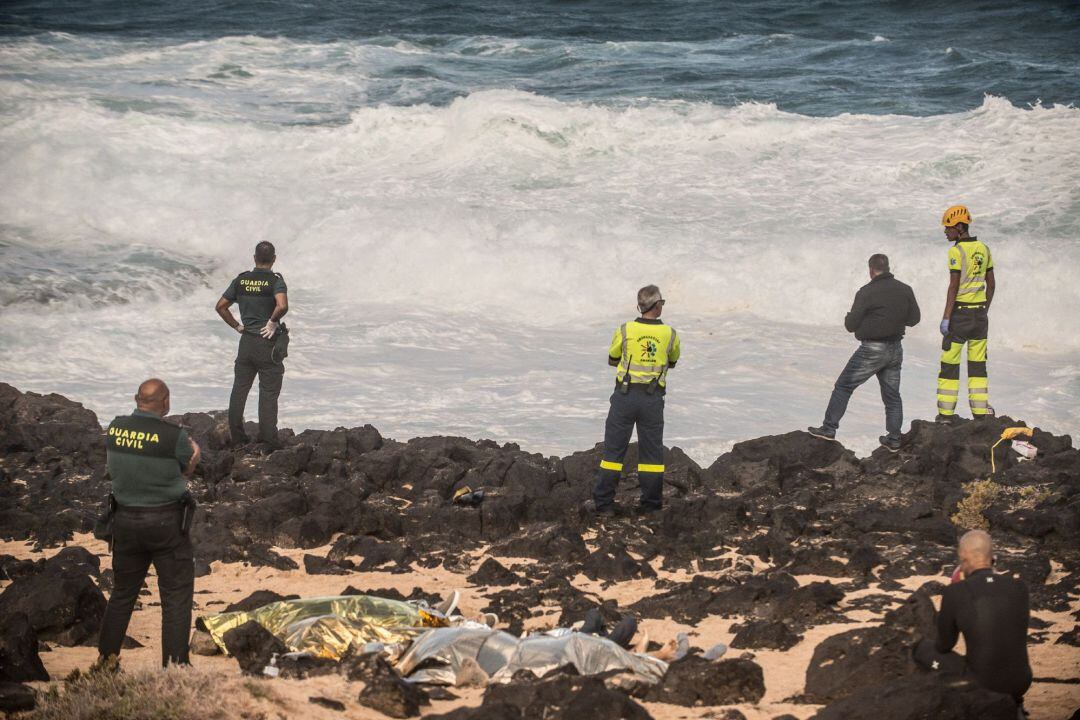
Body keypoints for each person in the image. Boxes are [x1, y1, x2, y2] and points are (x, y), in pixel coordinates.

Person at [97, 379, 201, 667]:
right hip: (166, 522)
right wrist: (195, 455)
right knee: (176, 596)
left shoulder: (115, 427)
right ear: (166, 402)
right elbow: (186, 468)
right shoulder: (174, 436)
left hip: (124, 521)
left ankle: (106, 663)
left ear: (136, 399)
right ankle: (175, 666)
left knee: (122, 594)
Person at [808, 254, 920, 452]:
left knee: (843, 386)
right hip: (895, 349)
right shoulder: (905, 289)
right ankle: (894, 439)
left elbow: (851, 325)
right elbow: (914, 319)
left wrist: (858, 319)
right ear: (887, 268)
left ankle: (829, 428)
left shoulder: (866, 292)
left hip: (872, 349)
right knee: (892, 396)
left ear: (871, 270)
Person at [914, 530, 1032, 706]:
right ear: (993, 558)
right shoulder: (1020, 588)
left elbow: (944, 645)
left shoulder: (956, 591)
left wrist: (957, 592)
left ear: (963, 557)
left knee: (921, 649)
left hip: (983, 684)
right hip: (1021, 682)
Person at [592, 285, 681, 514]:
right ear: (657, 305)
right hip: (652, 400)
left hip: (624, 396)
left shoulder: (625, 329)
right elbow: (672, 361)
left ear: (639, 306)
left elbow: (613, 358)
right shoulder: (670, 334)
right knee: (651, 455)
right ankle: (651, 505)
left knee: (613, 453)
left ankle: (604, 505)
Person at [215, 241, 289, 448]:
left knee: (239, 389)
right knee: (268, 393)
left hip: (246, 342)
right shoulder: (276, 282)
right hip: (268, 343)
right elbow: (282, 305)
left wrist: (237, 327)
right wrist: (272, 322)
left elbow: (221, 306)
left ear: (254, 258)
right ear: (274, 259)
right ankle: (268, 441)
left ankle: (238, 438)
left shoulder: (242, 280)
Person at [937, 205, 995, 422]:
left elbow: (953, 287)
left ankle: (945, 415)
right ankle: (980, 413)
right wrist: (984, 309)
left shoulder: (956, 251)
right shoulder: (985, 249)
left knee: (950, 364)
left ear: (960, 227)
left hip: (959, 315)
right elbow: (992, 285)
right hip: (980, 316)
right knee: (978, 366)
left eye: (949, 227)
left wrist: (946, 318)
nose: (945, 231)